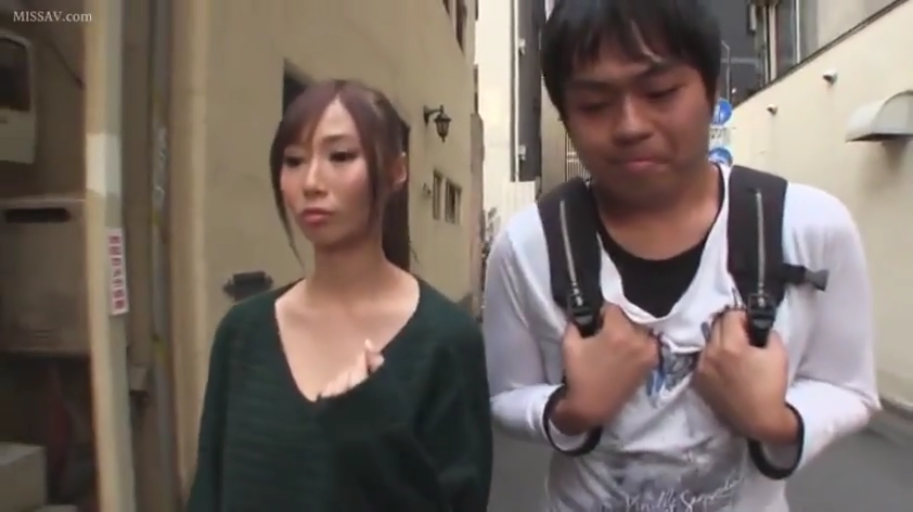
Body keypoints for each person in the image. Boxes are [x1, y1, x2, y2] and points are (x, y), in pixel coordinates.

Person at [483, 0, 879, 510]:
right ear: (565, 115)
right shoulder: (527, 246)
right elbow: (506, 394)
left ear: (712, 90)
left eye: (661, 92)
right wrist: (571, 408)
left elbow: (848, 386)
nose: (630, 125)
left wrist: (776, 420)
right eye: (595, 104)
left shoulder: (808, 226)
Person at [187, 79, 493, 511]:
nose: (311, 182)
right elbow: (208, 492)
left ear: (397, 170)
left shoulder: (447, 340)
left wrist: (372, 432)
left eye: (341, 156)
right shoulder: (242, 334)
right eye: (294, 161)